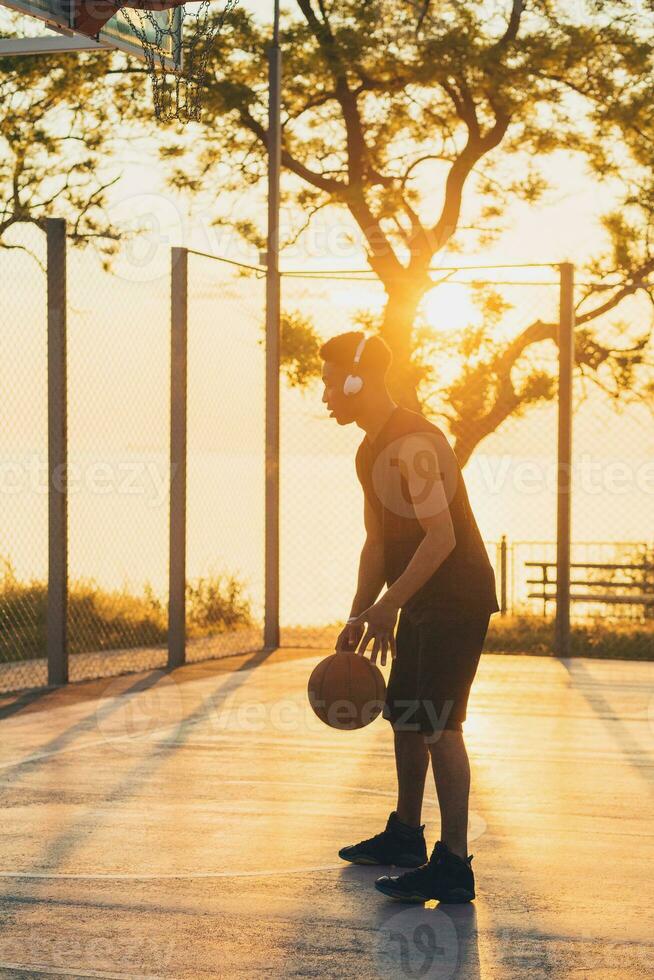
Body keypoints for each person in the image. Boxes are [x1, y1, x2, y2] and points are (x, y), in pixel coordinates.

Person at [320, 330, 500, 904]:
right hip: (419, 596)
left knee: (440, 724)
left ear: (357, 380)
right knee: (404, 715)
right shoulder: (368, 448)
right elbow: (377, 542)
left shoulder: (417, 443)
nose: (324, 394)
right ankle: (405, 836)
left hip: (457, 597)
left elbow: (441, 536)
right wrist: (361, 612)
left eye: (330, 382)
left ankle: (452, 862)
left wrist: (390, 604)